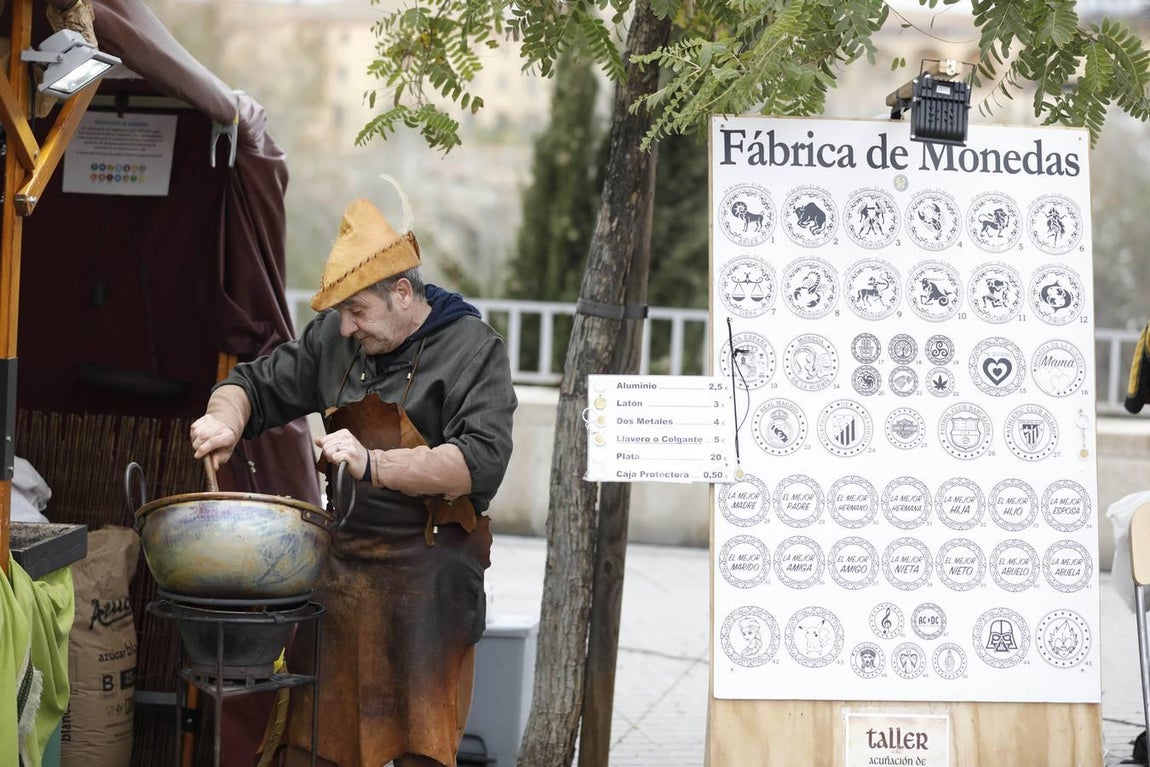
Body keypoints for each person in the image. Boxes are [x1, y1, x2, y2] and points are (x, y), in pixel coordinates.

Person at [189, 184, 518, 767]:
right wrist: (224, 420)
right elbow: (252, 386)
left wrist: (374, 463)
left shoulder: (473, 350)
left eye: (357, 311)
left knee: (420, 751)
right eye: (340, 313)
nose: (345, 328)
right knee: (311, 746)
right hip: (342, 570)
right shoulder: (333, 341)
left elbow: (481, 460)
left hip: (431, 575)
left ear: (402, 293)